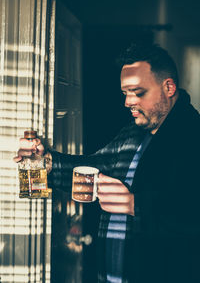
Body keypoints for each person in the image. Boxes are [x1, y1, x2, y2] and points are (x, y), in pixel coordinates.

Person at [14, 43, 200, 283]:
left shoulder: (193, 135)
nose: (128, 102)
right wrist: (42, 163)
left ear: (169, 87)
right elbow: (88, 173)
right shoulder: (132, 134)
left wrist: (135, 205)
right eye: (125, 93)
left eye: (138, 92)